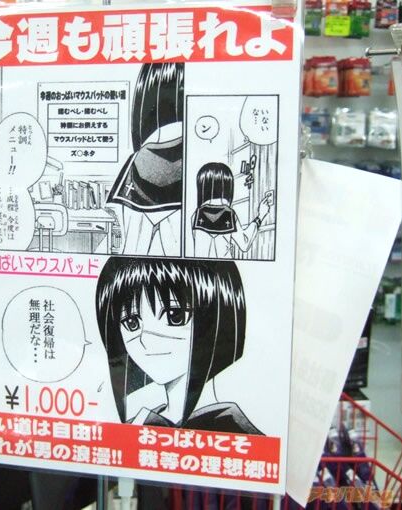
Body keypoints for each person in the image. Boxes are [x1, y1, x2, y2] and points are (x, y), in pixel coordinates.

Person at [96, 256, 261, 435]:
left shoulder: (238, 433)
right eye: (132, 323)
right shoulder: (138, 424)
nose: (147, 341)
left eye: (174, 316)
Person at [108, 63, 184, 257]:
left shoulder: (137, 160)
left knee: (134, 249)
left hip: (142, 165)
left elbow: (131, 248)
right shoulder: (193, 153)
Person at [191, 162, 271, 259]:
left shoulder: (195, 216)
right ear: (227, 187)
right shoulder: (228, 214)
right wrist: (260, 217)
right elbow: (245, 244)